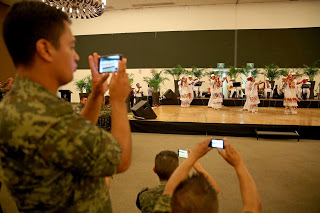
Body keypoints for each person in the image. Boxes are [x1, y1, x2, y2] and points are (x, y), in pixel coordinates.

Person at [0, 2, 132, 212]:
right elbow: (120, 160)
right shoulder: (49, 116)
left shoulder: (18, 103)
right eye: (71, 47)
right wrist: (118, 100)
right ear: (45, 49)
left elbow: (75, 130)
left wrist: (97, 93)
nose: (76, 56)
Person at [152, 138, 261, 213]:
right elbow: (253, 206)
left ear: (170, 210)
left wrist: (192, 157)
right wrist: (239, 164)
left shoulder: (160, 208)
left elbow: (169, 190)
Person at [137, 149, 220, 213]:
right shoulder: (188, 196)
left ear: (154, 170)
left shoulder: (143, 196)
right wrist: (198, 167)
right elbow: (215, 189)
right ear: (177, 170)